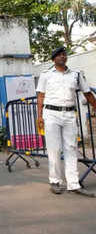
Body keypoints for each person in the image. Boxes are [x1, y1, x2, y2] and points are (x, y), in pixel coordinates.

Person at [37, 47, 96, 197]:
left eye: (64, 54)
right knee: (54, 149)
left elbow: (88, 93)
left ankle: (73, 184)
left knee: (71, 148)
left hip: (69, 114)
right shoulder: (46, 75)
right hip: (51, 114)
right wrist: (39, 117)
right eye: (59, 55)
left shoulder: (76, 75)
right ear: (53, 59)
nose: (63, 57)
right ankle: (55, 181)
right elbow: (40, 97)